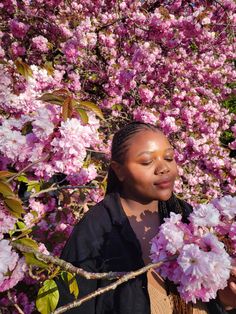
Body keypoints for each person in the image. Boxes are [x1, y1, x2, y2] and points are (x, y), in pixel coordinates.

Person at [56, 122, 236, 314]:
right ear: (119, 170)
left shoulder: (186, 216)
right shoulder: (96, 230)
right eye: (146, 162)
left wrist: (227, 299)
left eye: (169, 158)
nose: (163, 168)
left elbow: (205, 297)